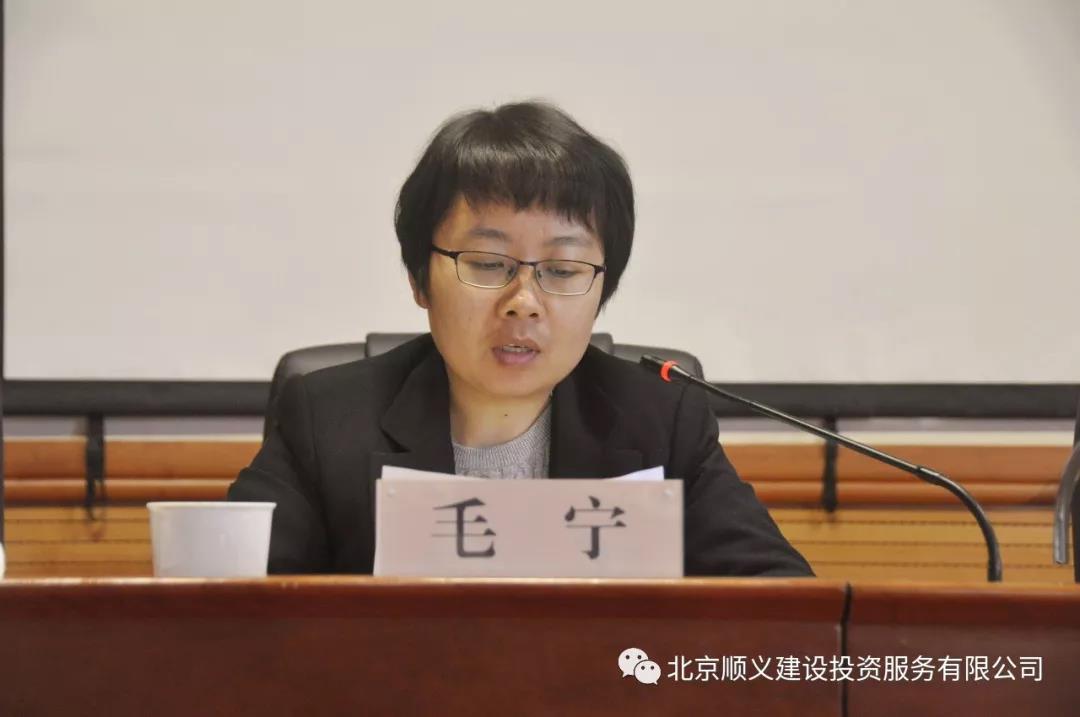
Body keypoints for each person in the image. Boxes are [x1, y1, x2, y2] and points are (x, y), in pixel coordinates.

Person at [228, 101, 812, 577]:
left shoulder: (661, 421)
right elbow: (227, 609)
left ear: (601, 290)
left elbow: (783, 605)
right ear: (419, 279)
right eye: (487, 263)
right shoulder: (327, 419)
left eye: (561, 270)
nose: (523, 300)